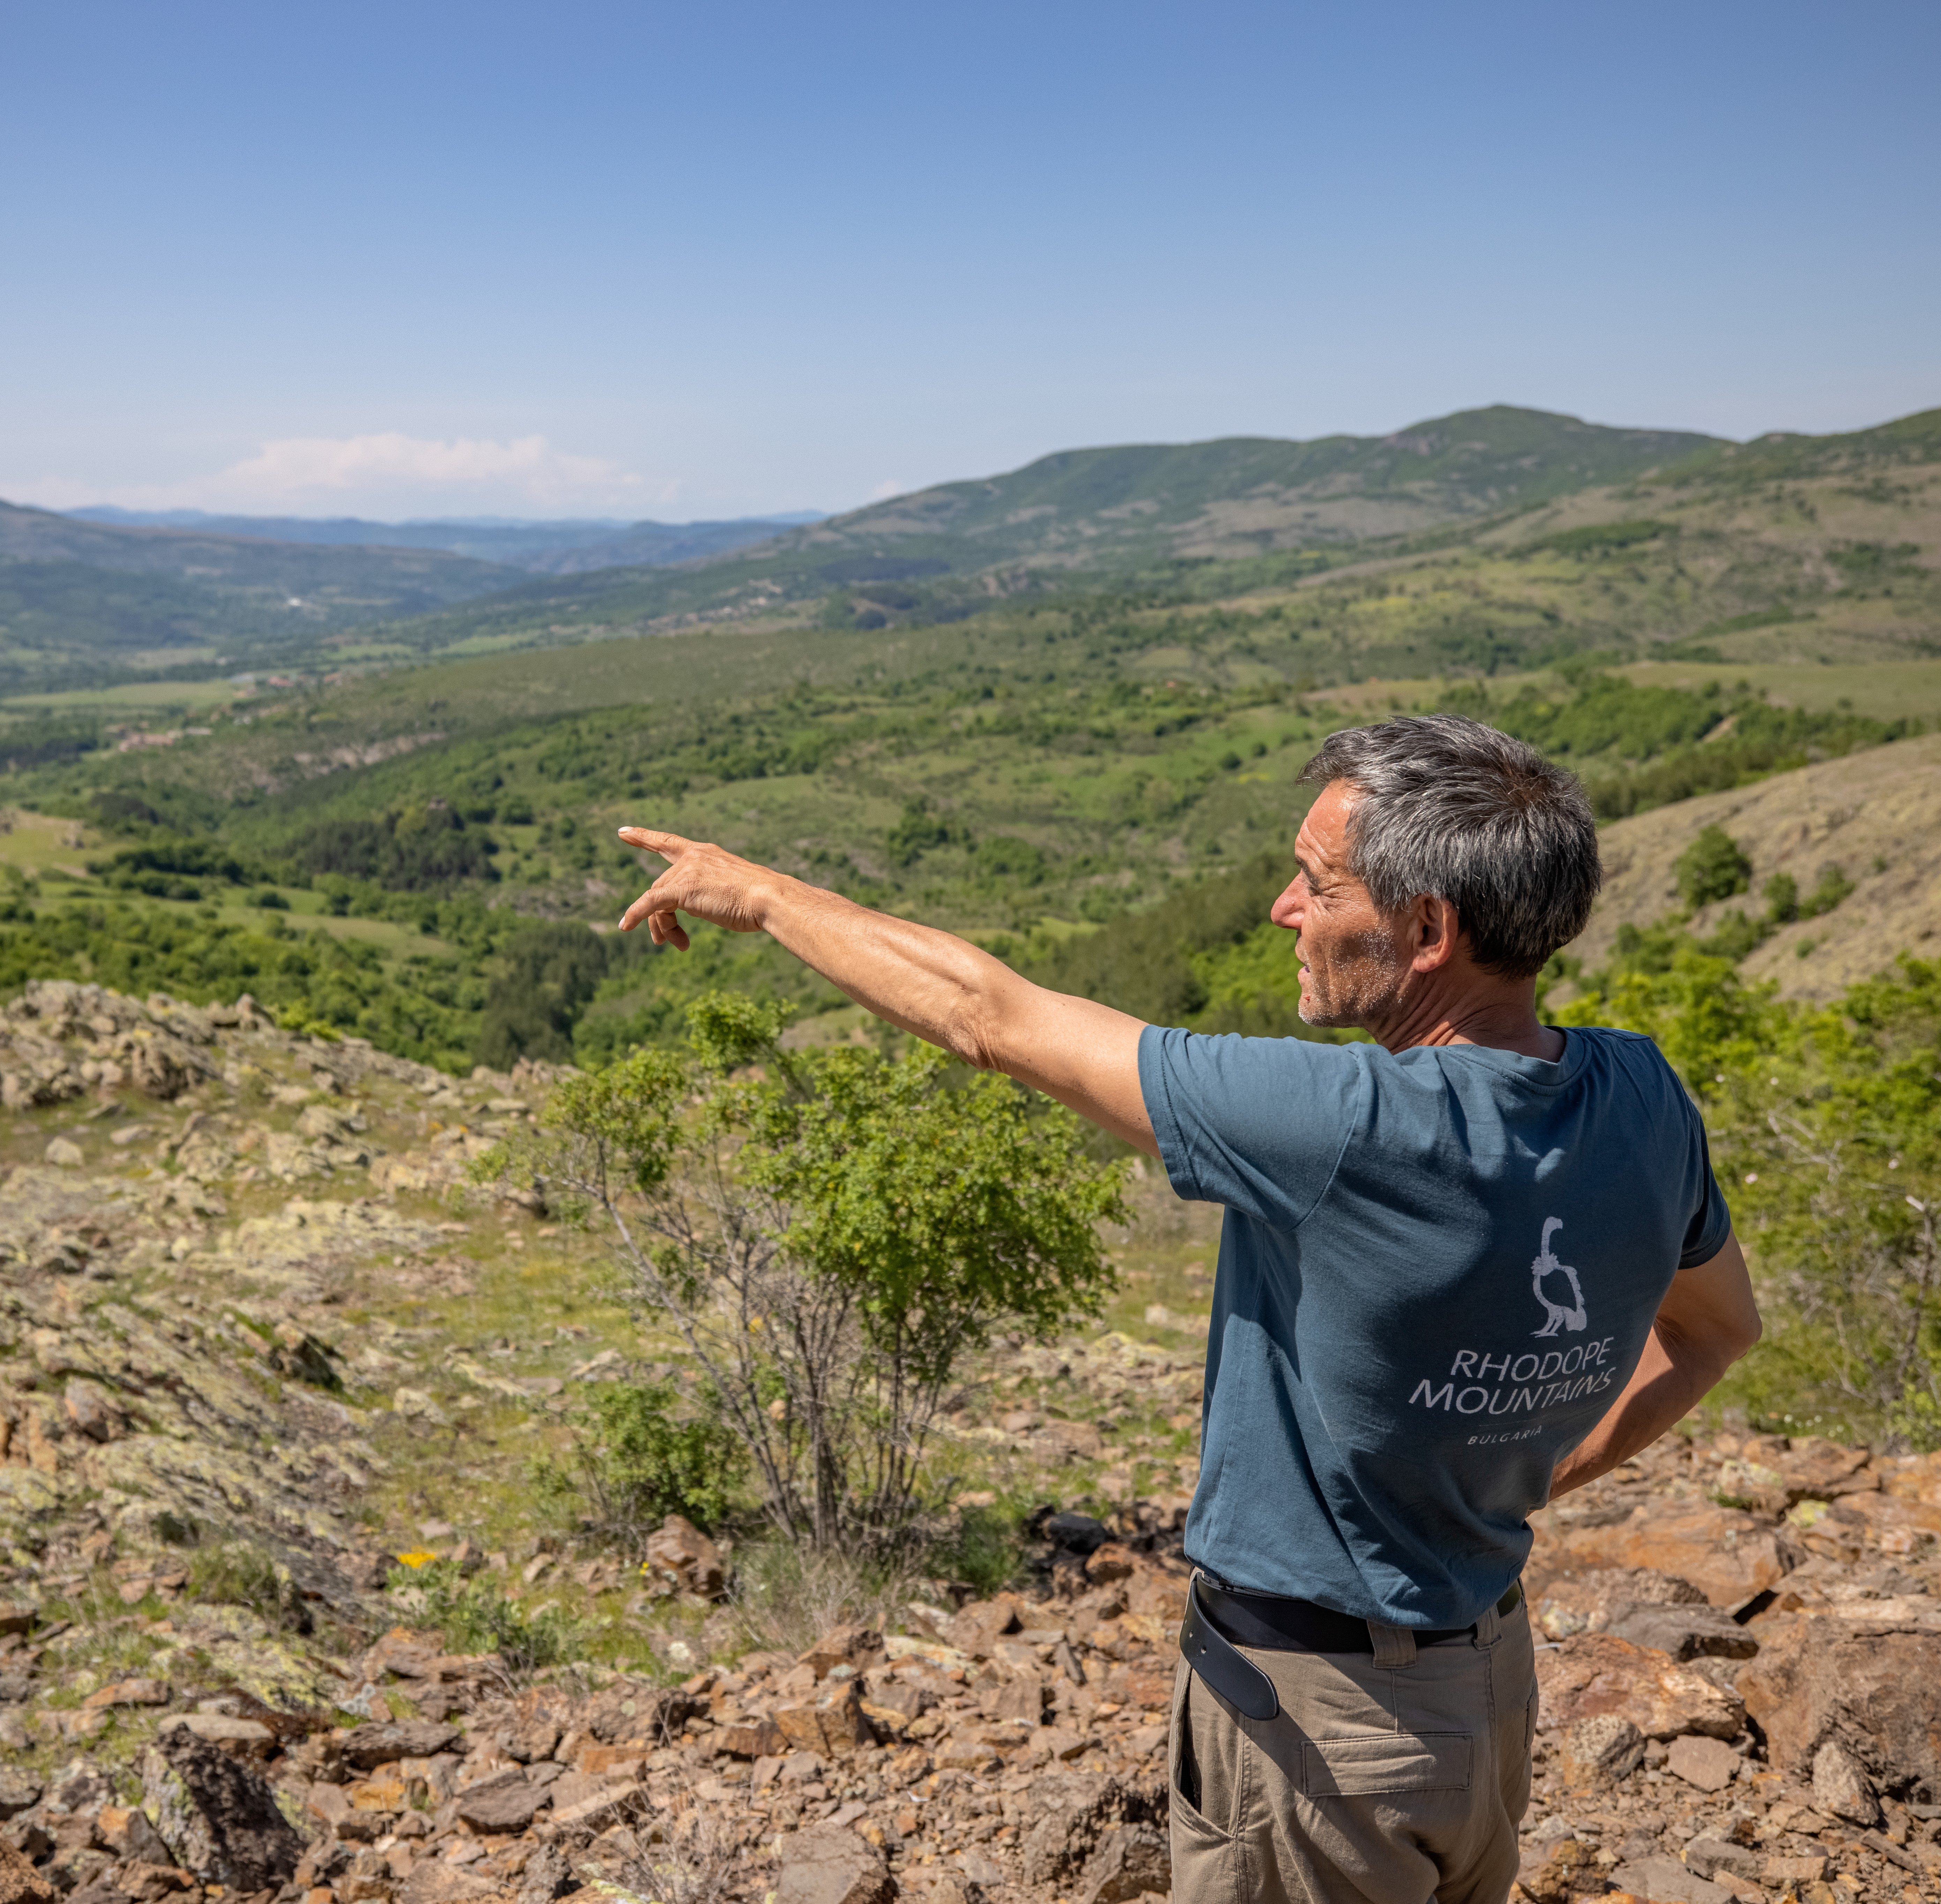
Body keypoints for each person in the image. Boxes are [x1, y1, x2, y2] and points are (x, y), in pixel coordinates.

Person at [612, 712, 1758, 1904]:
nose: (1283, 909)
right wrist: (1514, 1477)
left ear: (1427, 932)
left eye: (1317, 885)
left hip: (1318, 1724)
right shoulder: (1642, 1098)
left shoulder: (1347, 1125)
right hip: (1486, 1690)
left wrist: (759, 894)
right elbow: (1718, 1332)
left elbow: (988, 1017)